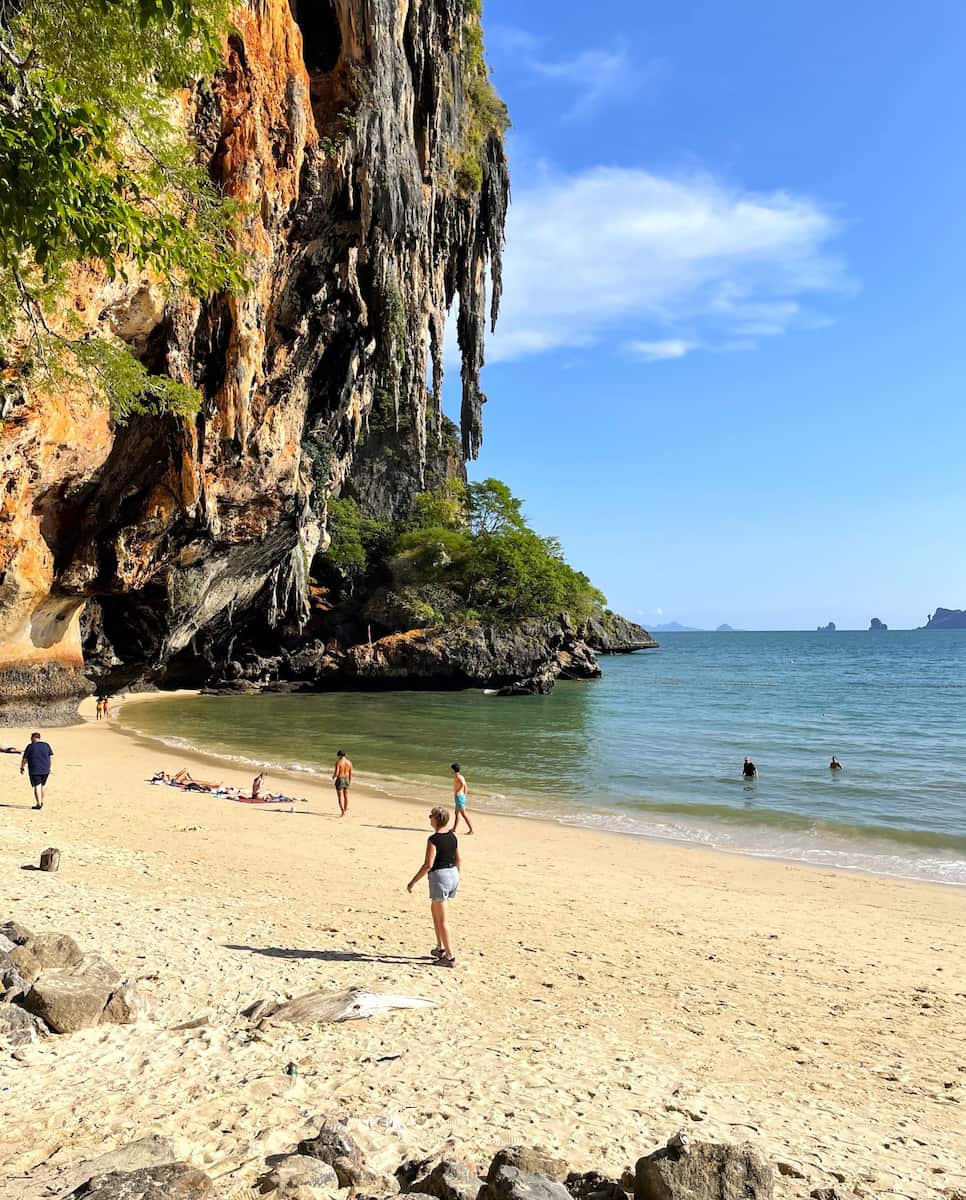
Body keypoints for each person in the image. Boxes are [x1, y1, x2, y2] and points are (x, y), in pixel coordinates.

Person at [407, 806, 460, 967]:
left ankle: (449, 957)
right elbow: (459, 859)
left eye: (431, 816)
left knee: (442, 919)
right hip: (453, 873)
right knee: (435, 912)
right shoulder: (452, 836)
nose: (429, 818)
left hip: (440, 876)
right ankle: (440, 947)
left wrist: (413, 881)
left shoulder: (433, 839)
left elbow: (427, 864)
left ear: (436, 819)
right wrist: (457, 877)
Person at [21, 732, 53, 809]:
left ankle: (38, 804)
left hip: (35, 769)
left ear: (33, 738)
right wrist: (49, 767)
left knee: (37, 786)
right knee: (42, 785)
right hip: (45, 769)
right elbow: (51, 756)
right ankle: (41, 801)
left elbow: (24, 759)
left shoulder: (30, 746)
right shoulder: (46, 745)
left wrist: (22, 767)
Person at [449, 762, 473, 834]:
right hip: (460, 796)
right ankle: (454, 828)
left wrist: (458, 792)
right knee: (456, 813)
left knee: (463, 814)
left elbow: (462, 784)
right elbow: (465, 786)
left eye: (452, 769)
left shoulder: (458, 777)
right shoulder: (461, 776)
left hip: (459, 797)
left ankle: (471, 830)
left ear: (453, 770)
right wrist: (464, 794)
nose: (451, 771)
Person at [332, 750, 353, 816]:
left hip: (340, 779)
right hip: (346, 779)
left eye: (338, 756)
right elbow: (350, 773)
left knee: (340, 797)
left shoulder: (338, 762)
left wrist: (333, 776)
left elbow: (337, 773)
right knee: (346, 796)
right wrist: (350, 781)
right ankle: (345, 810)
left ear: (340, 755)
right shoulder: (349, 762)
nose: (337, 757)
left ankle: (342, 810)